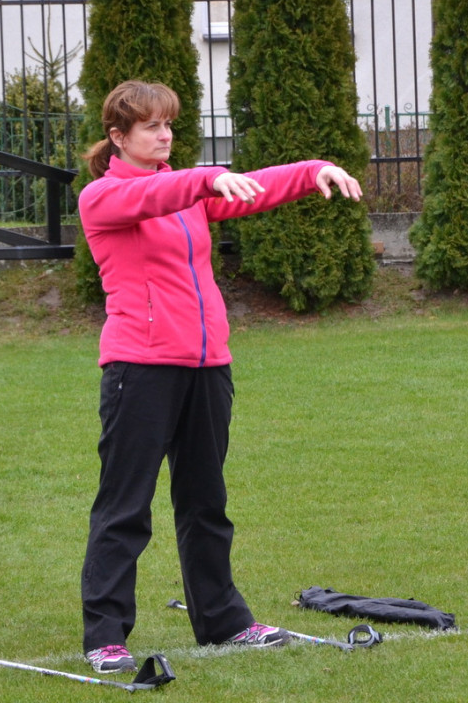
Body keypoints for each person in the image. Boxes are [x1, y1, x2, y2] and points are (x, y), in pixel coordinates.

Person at [77, 80, 364, 673]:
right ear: (117, 136)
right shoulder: (103, 197)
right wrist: (206, 177)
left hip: (208, 368)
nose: (165, 135)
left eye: (169, 125)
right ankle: (105, 634)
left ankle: (223, 621)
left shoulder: (190, 191)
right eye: (152, 127)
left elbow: (254, 187)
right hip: (140, 368)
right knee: (124, 506)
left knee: (206, 502)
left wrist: (315, 169)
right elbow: (158, 195)